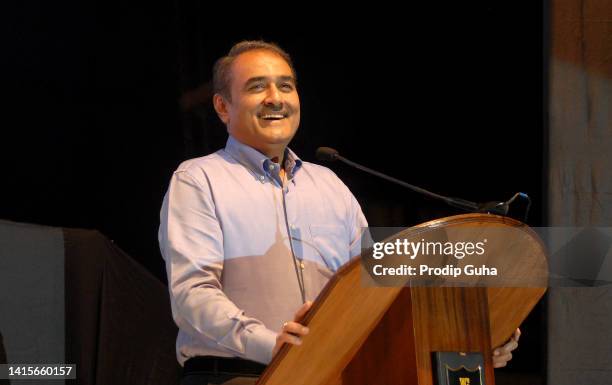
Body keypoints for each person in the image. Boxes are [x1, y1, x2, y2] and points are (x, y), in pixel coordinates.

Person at [159, 40, 519, 385]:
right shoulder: (199, 179)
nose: (275, 98)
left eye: (286, 86)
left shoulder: (329, 185)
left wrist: (467, 336)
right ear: (223, 107)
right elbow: (192, 294)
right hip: (239, 376)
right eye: (257, 87)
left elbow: (377, 294)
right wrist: (271, 345)